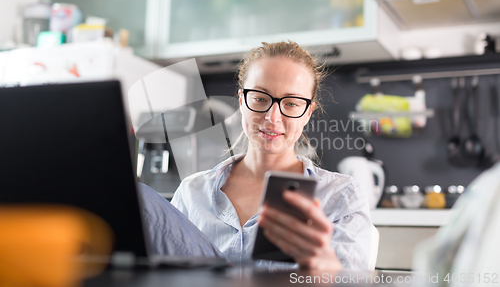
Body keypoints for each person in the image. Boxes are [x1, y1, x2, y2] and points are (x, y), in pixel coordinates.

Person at [138, 41, 372, 271]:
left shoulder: (342, 196)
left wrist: (326, 268)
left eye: (291, 104)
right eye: (260, 98)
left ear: (308, 113)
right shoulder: (192, 192)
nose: (272, 117)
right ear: (242, 100)